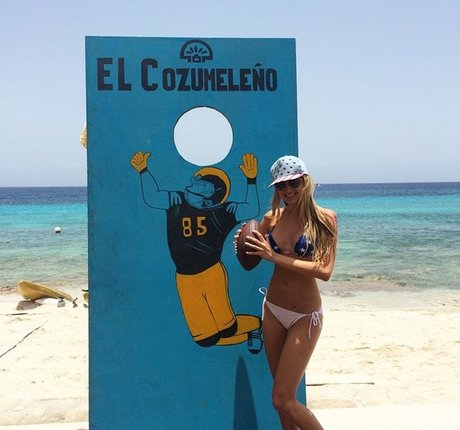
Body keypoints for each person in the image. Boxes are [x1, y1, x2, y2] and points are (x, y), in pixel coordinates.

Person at [238, 155, 338, 429]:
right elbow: (251, 252)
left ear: (305, 181)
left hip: (304, 317)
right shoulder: (272, 219)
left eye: (294, 182)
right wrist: (243, 242)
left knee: (283, 399)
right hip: (273, 311)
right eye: (281, 186)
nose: (288, 190)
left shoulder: (325, 219)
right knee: (281, 399)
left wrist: (274, 256)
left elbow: (324, 270)